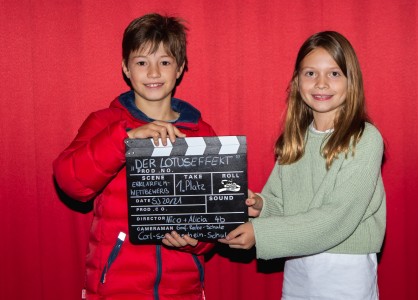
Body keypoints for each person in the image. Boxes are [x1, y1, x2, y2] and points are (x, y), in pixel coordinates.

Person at [53, 13, 216, 300]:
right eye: (142, 62)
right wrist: (124, 139)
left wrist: (198, 243)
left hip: (183, 290)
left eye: (164, 62)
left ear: (180, 69)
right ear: (126, 69)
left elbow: (215, 219)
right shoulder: (104, 124)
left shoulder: (202, 132)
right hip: (116, 288)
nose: (153, 73)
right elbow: (70, 181)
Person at [219, 31, 386, 299]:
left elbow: (338, 216)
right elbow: (283, 204)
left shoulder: (365, 138)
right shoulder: (295, 140)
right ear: (297, 81)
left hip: (345, 270)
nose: (321, 83)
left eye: (333, 73)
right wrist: (260, 206)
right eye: (310, 73)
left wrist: (260, 234)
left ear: (350, 81)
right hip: (297, 265)